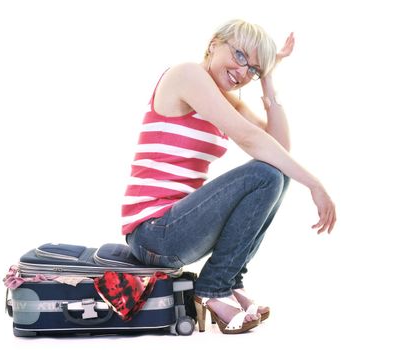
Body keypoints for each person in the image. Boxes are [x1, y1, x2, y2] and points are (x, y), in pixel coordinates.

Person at [121, 19, 336, 334]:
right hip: (153, 232)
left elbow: (278, 148)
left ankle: (228, 280)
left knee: (276, 173)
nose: (243, 72)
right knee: (265, 174)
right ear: (213, 44)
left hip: (175, 229)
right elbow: (251, 140)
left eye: (253, 70)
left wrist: (268, 81)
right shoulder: (187, 75)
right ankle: (213, 287)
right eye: (239, 56)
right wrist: (315, 184)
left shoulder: (224, 98)